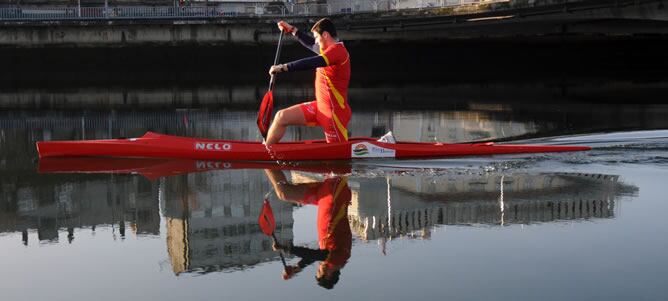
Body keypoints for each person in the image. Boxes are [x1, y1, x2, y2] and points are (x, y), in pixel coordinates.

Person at [266, 18, 351, 145]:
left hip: (333, 115)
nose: (316, 41)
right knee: (281, 117)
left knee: (338, 157)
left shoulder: (338, 52)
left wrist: (283, 67)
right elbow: (311, 44)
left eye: (317, 37)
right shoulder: (327, 49)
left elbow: (312, 62)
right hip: (319, 108)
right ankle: (266, 150)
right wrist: (292, 30)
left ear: (325, 35)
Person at [264, 168, 352, 289]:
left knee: (284, 193)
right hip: (334, 194)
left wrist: (298, 267)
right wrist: (287, 249)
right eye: (319, 270)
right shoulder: (339, 259)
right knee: (284, 192)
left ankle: (267, 160)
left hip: (325, 199)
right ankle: (268, 156)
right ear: (328, 275)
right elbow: (315, 255)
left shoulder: (332, 257)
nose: (319, 267)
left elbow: (316, 256)